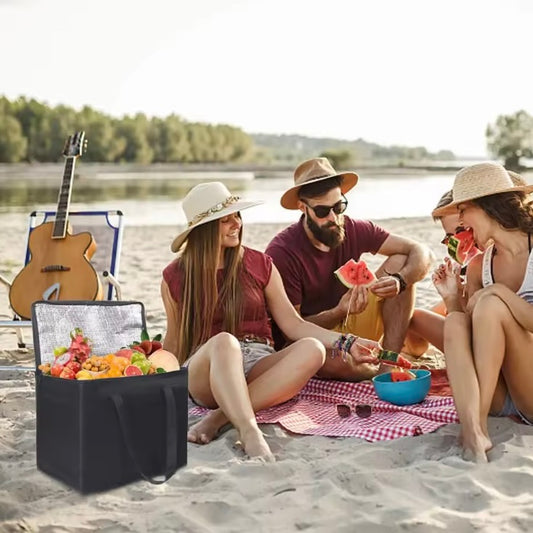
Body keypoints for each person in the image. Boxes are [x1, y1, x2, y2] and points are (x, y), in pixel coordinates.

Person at [161, 182, 381, 462]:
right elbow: (175, 342)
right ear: (204, 229)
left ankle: (219, 418)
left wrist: (348, 342)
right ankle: (249, 430)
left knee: (312, 348)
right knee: (225, 343)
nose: (236, 224)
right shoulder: (175, 276)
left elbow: (294, 325)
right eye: (225, 220)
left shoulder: (259, 263)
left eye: (237, 216)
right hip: (208, 370)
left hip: (257, 363)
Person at [265, 157, 433, 381]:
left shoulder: (353, 228)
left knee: (402, 261)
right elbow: (291, 330)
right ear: (302, 208)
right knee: (334, 361)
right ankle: (370, 368)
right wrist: (339, 311)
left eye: (339, 206)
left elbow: (421, 251)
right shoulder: (282, 252)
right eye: (323, 211)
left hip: (355, 324)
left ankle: (388, 363)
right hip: (315, 340)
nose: (334, 218)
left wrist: (400, 281)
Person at [431, 162, 533, 462]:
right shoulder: (479, 266)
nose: (460, 220)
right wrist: (452, 301)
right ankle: (473, 430)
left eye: (463, 210)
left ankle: (477, 424)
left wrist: (497, 292)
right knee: (455, 322)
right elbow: (477, 340)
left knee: (490, 302)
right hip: (502, 395)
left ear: (487, 206)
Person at [406, 170, 530, 356]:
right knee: (415, 318)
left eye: (461, 229)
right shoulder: (477, 266)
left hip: (516, 352)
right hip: (489, 347)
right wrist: (455, 296)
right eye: (450, 237)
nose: (460, 239)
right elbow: (469, 324)